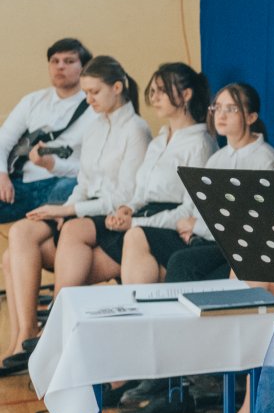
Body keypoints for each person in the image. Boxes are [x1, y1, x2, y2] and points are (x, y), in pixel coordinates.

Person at [1, 56, 150, 372]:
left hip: (107, 215)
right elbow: (84, 181)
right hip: (83, 210)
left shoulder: (136, 129)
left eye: (95, 92)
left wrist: (70, 209)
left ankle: (54, 328)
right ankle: (23, 336)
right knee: (20, 234)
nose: (89, 100)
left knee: (73, 228)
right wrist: (66, 208)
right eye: (86, 92)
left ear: (118, 87)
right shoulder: (96, 127)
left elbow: (124, 195)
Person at [51, 63, 214, 295]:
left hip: (169, 229)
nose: (154, 97)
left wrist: (136, 223)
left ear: (186, 95)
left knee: (126, 240)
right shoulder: (158, 142)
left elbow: (189, 212)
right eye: (153, 91)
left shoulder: (200, 144)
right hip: (142, 219)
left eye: (162, 91)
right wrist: (127, 209)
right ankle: (57, 316)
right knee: (77, 263)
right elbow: (140, 193)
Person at [123, 82, 274, 287]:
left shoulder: (265, 159)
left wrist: (197, 227)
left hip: (233, 248)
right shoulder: (217, 159)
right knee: (137, 236)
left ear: (251, 117)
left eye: (231, 109)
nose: (221, 116)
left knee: (181, 263)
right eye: (217, 108)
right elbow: (198, 206)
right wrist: (191, 227)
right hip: (203, 237)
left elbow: (249, 224)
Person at [0, 38, 95, 224]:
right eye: (55, 61)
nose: (60, 67)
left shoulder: (95, 109)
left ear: (84, 68)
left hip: (63, 185)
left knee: (69, 189)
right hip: (21, 184)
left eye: (69, 61)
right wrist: (2, 175)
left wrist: (53, 165)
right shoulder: (33, 101)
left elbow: (93, 170)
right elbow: (3, 140)